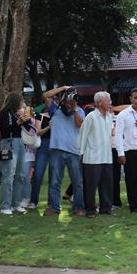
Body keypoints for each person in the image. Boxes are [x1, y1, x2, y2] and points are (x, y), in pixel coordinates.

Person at [43, 86, 86, 216]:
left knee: (77, 182)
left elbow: (79, 125)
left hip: (74, 151)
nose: (73, 97)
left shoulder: (80, 110)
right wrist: (63, 88)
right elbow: (46, 95)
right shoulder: (54, 109)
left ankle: (78, 207)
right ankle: (53, 207)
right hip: (56, 150)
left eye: (74, 95)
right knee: (55, 180)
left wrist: (74, 109)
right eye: (70, 95)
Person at [78, 91, 114, 217]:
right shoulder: (91, 116)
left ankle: (106, 208)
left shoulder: (109, 117)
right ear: (99, 102)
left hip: (107, 156)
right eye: (108, 100)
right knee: (90, 186)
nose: (110, 102)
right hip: (92, 157)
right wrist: (81, 153)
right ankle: (90, 210)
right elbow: (83, 135)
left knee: (106, 184)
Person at [0, 92, 33, 215]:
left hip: (20, 143)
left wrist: (25, 119)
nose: (22, 102)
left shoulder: (18, 112)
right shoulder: (4, 112)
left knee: (21, 174)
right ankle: (5, 206)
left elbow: (29, 129)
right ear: (15, 101)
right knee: (8, 175)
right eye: (21, 100)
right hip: (9, 143)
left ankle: (16, 203)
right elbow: (5, 130)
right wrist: (18, 121)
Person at [28, 106, 51, 209]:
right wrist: (49, 126)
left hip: (56, 146)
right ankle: (33, 201)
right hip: (44, 145)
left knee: (54, 176)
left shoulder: (59, 115)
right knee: (38, 174)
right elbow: (38, 132)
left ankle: (52, 203)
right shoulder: (39, 115)